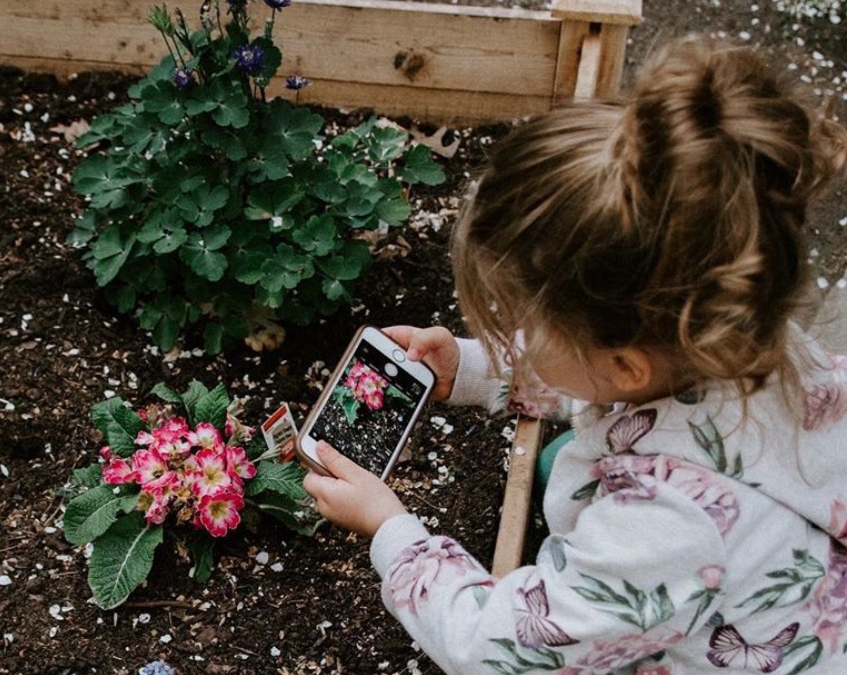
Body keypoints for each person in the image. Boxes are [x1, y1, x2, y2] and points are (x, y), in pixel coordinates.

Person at [303, 37, 847, 674]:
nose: (513, 333)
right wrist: (472, 370)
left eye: (525, 322)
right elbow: (606, 379)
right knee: (566, 459)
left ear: (624, 362)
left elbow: (492, 651)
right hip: (771, 582)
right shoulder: (737, 332)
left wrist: (391, 530)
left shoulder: (659, 529)